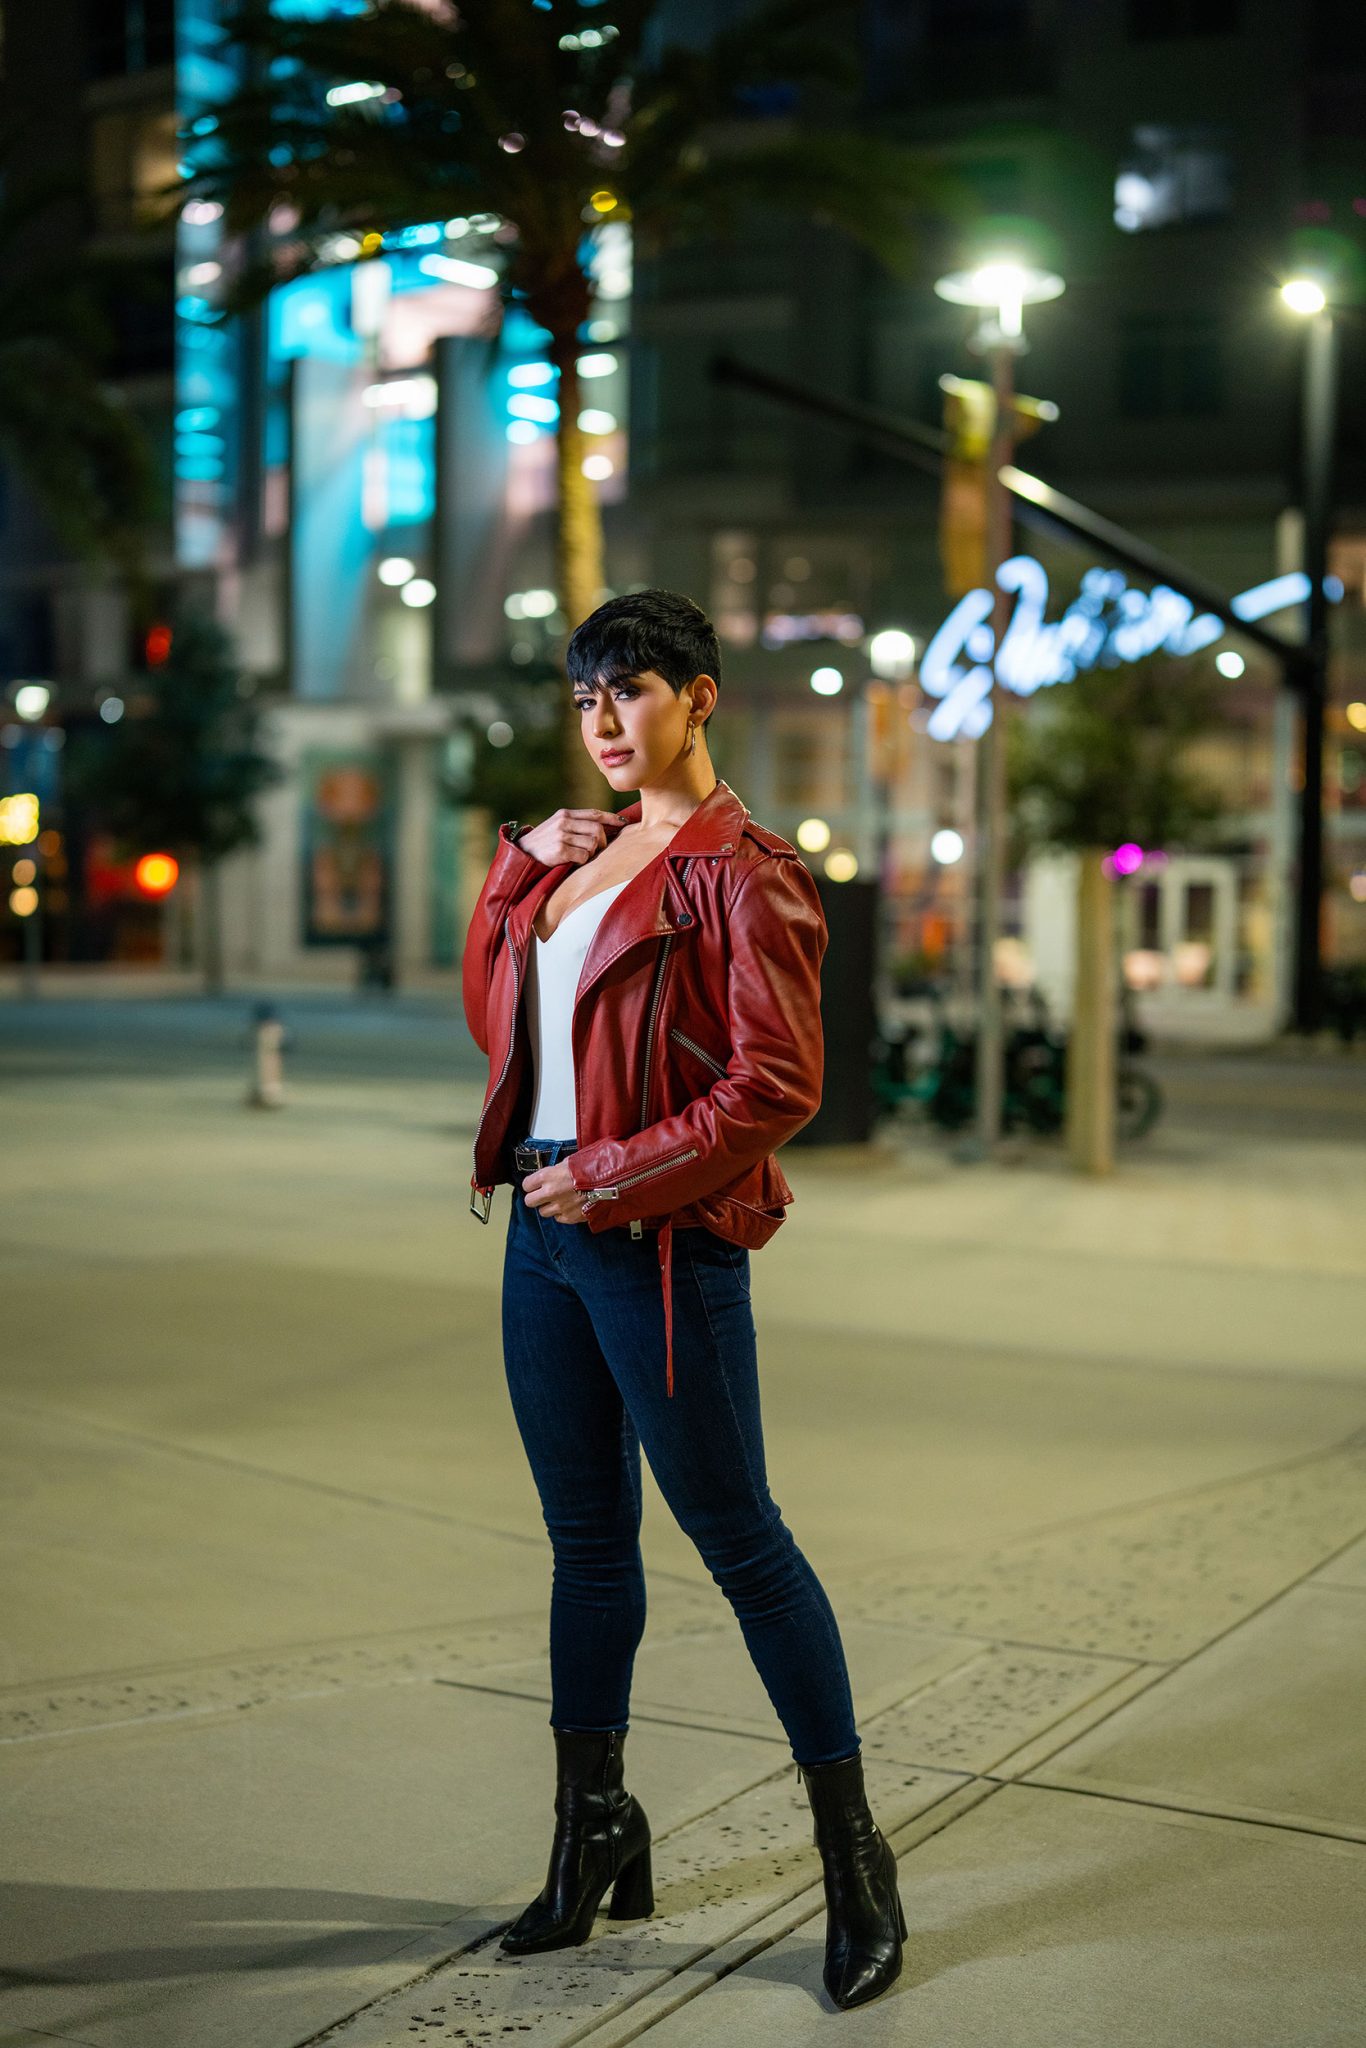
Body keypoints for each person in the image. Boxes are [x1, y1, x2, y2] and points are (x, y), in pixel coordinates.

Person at [462, 589, 905, 2012]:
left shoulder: (743, 870)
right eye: (583, 696)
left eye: (630, 693)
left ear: (698, 697)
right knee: (583, 1549)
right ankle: (593, 1830)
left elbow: (775, 1085)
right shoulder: (569, 854)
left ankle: (854, 1863)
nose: (600, 723)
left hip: (654, 1240)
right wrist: (511, 872)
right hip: (544, 1224)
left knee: (742, 1544)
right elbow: (495, 1019)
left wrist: (617, 1171)